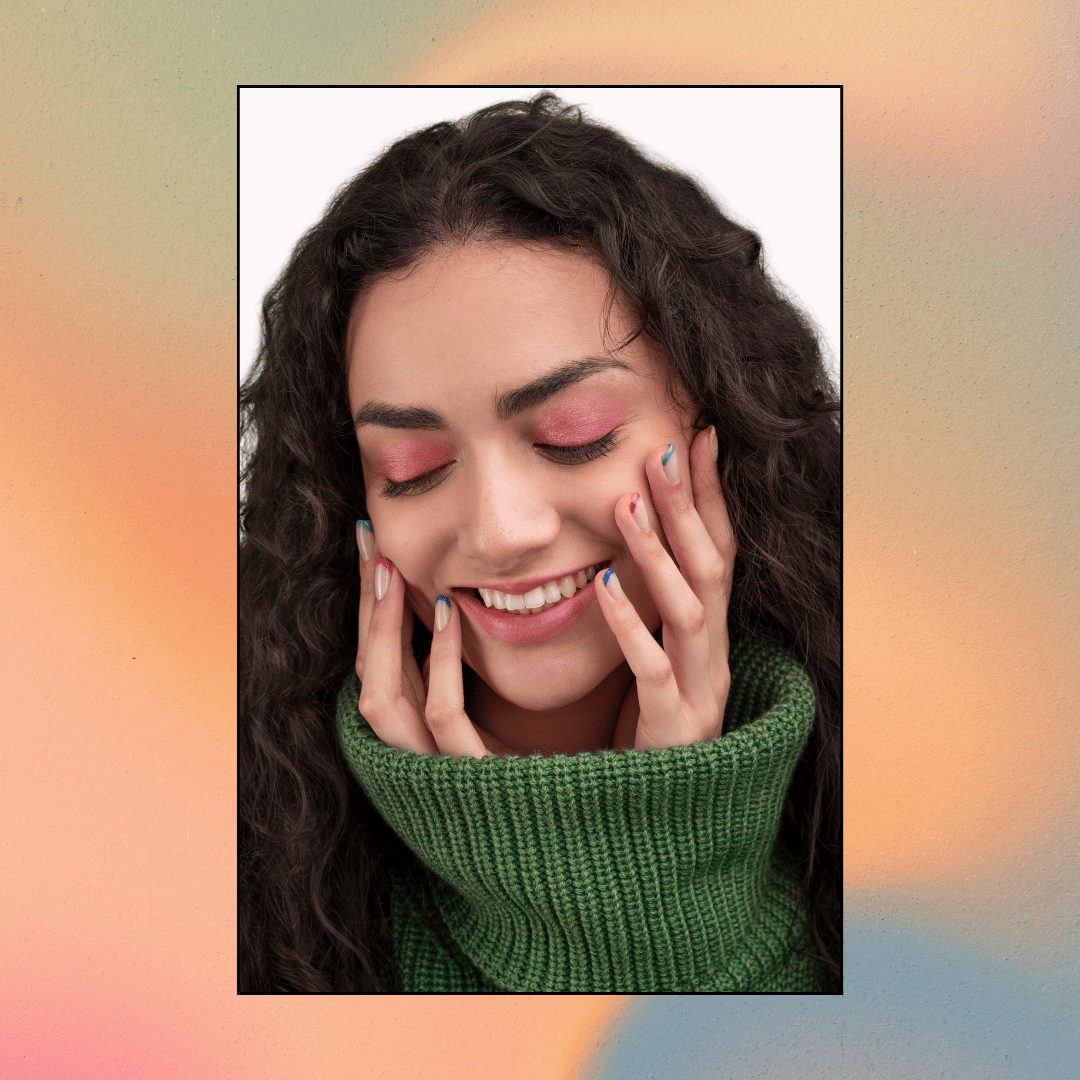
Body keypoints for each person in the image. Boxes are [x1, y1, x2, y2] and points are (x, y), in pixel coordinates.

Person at [239, 93, 840, 993]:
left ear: (722, 429)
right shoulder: (235, 848)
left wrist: (668, 839)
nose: (499, 530)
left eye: (575, 435)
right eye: (409, 467)